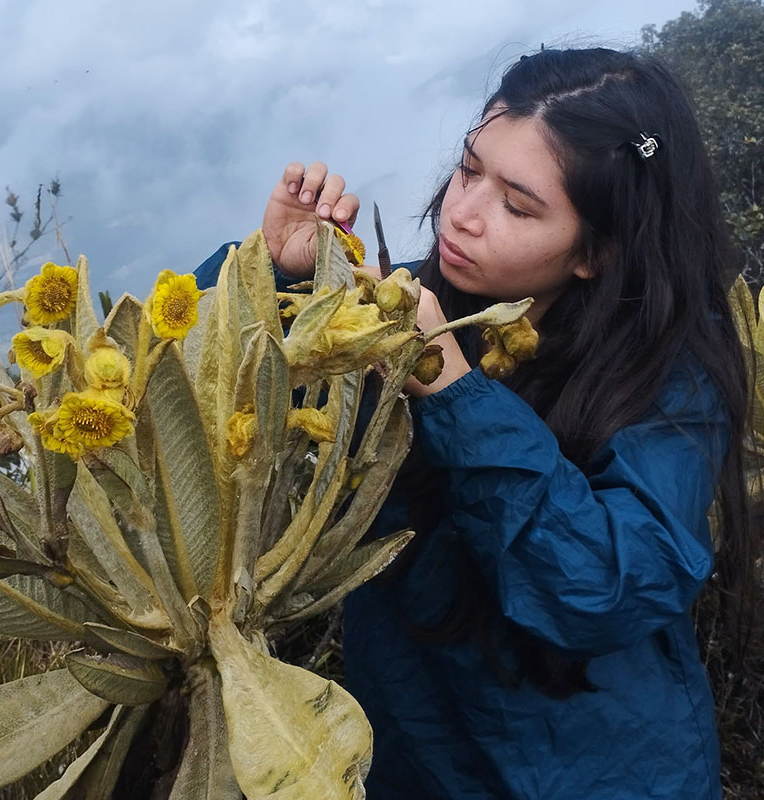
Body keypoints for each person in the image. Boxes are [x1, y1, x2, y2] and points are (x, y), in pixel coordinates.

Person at [195, 48, 755, 799]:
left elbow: (599, 587)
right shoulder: (411, 308)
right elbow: (192, 400)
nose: (461, 212)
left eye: (518, 207)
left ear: (598, 250)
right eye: (468, 169)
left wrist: (450, 387)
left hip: (602, 772)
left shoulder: (667, 377)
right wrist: (272, 272)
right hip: (416, 757)